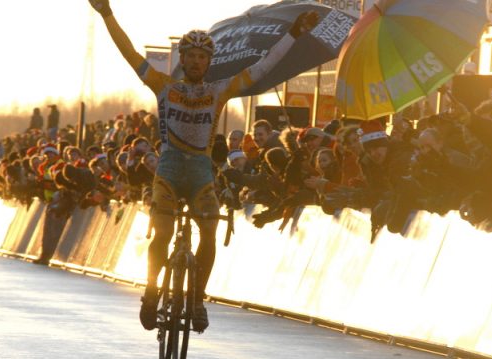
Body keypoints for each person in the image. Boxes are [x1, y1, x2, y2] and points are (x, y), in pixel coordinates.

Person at [88, 0, 319, 332]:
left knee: (208, 232)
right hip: (168, 170)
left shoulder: (219, 90)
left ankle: (197, 299)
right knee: (164, 232)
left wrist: (293, 34)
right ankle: (152, 291)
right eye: (191, 56)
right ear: (182, 59)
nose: (196, 61)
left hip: (199, 171)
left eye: (202, 57)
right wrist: (107, 14)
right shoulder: (163, 85)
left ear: (209, 61)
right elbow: (129, 53)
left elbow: (264, 68)